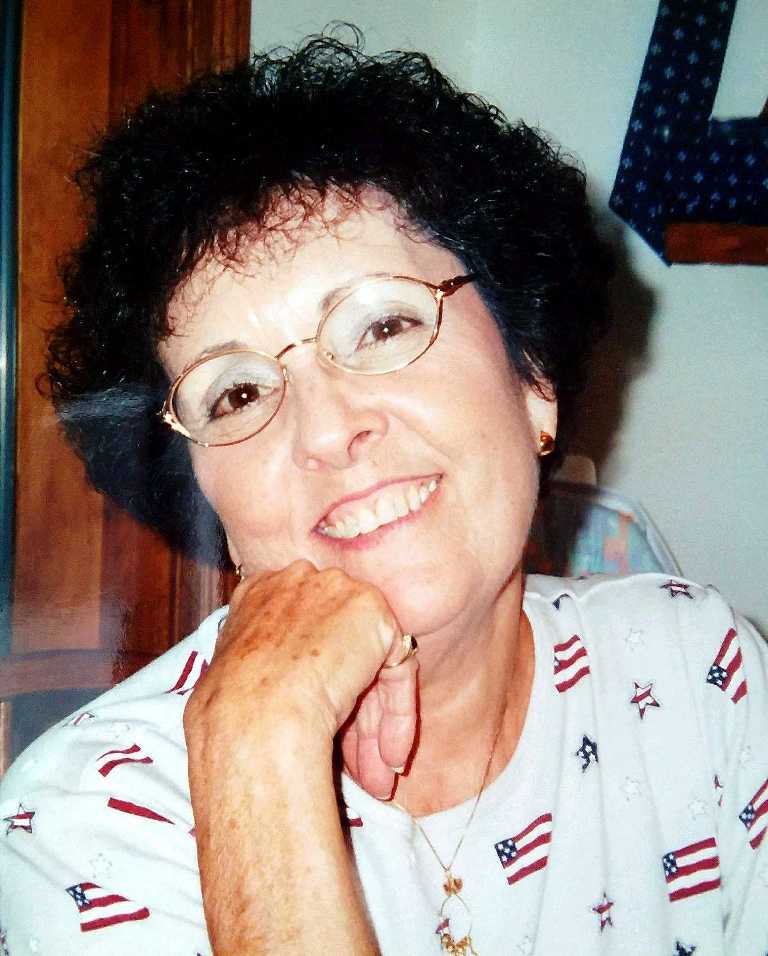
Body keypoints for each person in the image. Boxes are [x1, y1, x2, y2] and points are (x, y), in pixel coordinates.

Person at [1, 33, 766, 956]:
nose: (326, 430)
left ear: (532, 378)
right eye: (235, 394)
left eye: (382, 326)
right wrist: (255, 750)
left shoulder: (697, 672)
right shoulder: (88, 820)